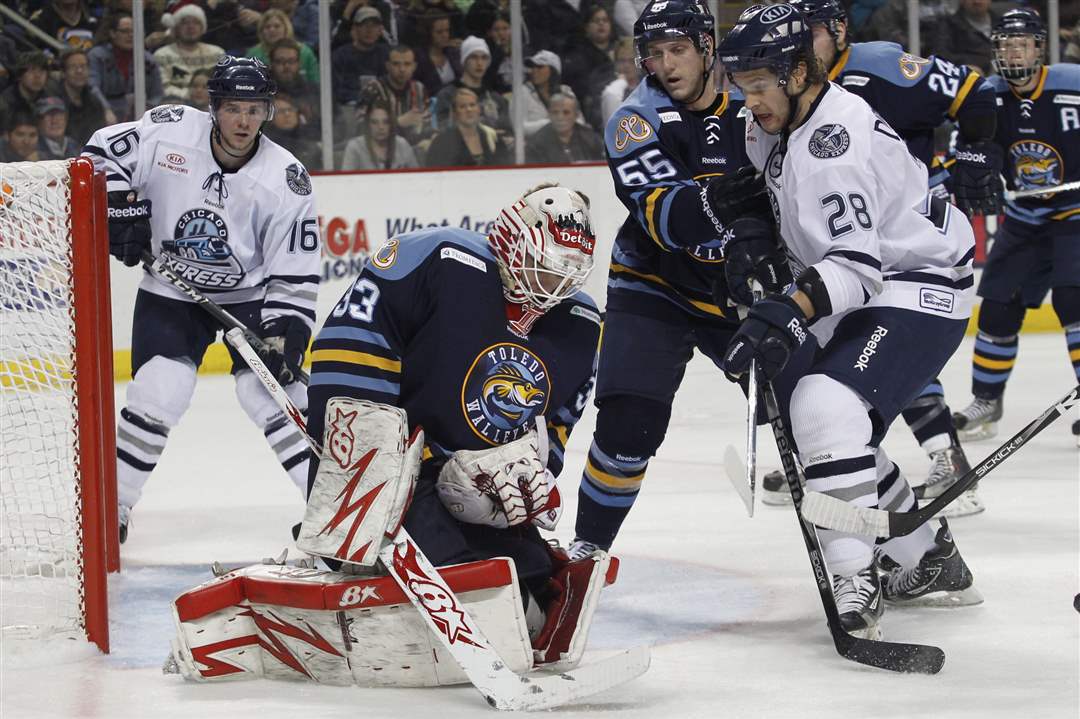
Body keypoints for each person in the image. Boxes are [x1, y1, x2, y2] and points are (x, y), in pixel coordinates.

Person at [717, 3, 981, 638]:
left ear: (800, 71)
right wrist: (752, 237)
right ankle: (927, 557)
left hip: (919, 281)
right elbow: (764, 194)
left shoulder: (834, 142)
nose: (749, 102)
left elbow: (856, 267)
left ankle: (853, 579)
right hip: (873, 281)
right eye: (743, 87)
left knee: (822, 405)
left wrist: (784, 312)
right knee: (827, 432)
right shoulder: (773, 124)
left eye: (759, 86)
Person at [301, 182, 609, 670]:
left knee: (524, 569)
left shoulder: (582, 322)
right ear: (514, 237)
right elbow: (349, 359)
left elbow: (557, 425)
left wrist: (526, 476)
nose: (553, 283)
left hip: (476, 480)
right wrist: (401, 466)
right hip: (398, 469)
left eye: (567, 272)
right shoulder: (436, 259)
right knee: (451, 558)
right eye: (545, 264)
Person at [753, 0, 1002, 517]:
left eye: (813, 31)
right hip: (850, 245)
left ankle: (943, 456)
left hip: (898, 240)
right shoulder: (779, 99)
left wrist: (977, 153)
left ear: (839, 31)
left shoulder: (880, 65)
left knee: (875, 350)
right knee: (837, 379)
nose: (801, 42)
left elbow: (975, 92)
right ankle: (842, 457)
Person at [81, 56, 320, 544]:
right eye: (233, 108)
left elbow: (293, 267)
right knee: (159, 389)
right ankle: (114, 508)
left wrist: (285, 331)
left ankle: (330, 508)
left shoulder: (285, 178)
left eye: (255, 110)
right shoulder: (170, 131)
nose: (243, 121)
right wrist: (118, 202)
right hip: (171, 289)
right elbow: (99, 152)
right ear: (213, 108)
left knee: (271, 395)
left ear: (268, 112)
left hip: (248, 296)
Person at [567, 1, 769, 560]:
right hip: (653, 284)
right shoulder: (634, 119)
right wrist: (733, 201)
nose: (666, 64)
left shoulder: (756, 106)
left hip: (737, 293)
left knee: (816, 413)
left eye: (677, 49)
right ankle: (585, 555)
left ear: (707, 46)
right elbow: (663, 218)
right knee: (629, 424)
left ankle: (881, 549)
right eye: (653, 54)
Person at [950, 9, 1080, 449]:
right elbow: (965, 147)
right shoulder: (989, 94)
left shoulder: (1071, 84)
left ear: (1040, 48)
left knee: (1074, 300)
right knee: (997, 309)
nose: (1014, 51)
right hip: (1024, 218)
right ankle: (986, 402)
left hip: (1076, 214)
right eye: (1006, 44)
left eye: (1022, 43)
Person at [88, 13, 164, 121]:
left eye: (134, 31)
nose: (131, 35)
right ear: (112, 33)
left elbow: (157, 94)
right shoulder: (97, 56)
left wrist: (148, 112)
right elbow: (93, 88)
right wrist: (106, 110)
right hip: (105, 115)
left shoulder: (148, 61)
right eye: (125, 31)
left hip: (141, 115)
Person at [356, 45, 434, 148]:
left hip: (412, 147)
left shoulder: (419, 89)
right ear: (388, 66)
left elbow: (427, 125)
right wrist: (398, 122)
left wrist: (431, 135)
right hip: (379, 149)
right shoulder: (373, 89)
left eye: (407, 64)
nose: (402, 69)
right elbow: (361, 128)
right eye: (396, 64)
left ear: (414, 67)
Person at [155, 4, 226, 102]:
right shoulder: (162, 54)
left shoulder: (217, 53)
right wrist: (192, 96)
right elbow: (163, 88)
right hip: (176, 106)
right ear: (176, 28)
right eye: (185, 23)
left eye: (196, 23)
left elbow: (223, 85)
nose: (191, 27)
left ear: (203, 28)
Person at [425, 86, 509, 167]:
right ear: (455, 113)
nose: (469, 109)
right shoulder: (441, 142)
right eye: (462, 107)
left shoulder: (492, 136)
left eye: (472, 105)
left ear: (479, 109)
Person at [51, 48, 115, 147]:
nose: (79, 71)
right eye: (73, 67)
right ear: (63, 72)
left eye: (83, 66)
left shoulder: (94, 102)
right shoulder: (53, 101)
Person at [331, 7, 390, 107]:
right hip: (348, 108)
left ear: (380, 30)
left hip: (381, 108)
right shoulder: (340, 55)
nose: (369, 30)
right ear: (354, 28)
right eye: (364, 25)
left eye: (374, 25)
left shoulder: (387, 54)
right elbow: (335, 90)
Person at [246, 8, 320, 85]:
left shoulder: (305, 52)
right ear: (261, 31)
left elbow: (315, 81)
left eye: (277, 26)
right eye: (267, 27)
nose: (272, 30)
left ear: (286, 28)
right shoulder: (253, 55)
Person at [525, 93, 603, 165]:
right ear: (549, 115)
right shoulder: (536, 144)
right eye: (555, 112)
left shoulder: (591, 139)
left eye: (566, 112)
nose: (560, 117)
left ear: (576, 115)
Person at [340, 101, 419, 169]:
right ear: (368, 124)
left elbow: (418, 178)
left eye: (385, 122)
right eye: (374, 122)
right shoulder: (355, 148)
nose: (381, 127)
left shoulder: (402, 144)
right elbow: (345, 183)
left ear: (391, 124)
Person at [929, 0, 997, 75]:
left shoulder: (1001, 22)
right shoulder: (948, 26)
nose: (977, 1)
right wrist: (962, 68)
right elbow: (939, 57)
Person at [35, 96, 78, 160]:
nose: (54, 121)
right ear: (39, 121)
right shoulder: (32, 149)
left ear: (66, 119)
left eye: (59, 116)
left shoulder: (77, 147)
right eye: (49, 116)